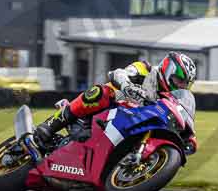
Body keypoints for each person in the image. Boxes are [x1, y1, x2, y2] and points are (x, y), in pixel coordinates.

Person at [33, 51, 197, 146]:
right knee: (101, 92)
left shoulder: (170, 100)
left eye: (184, 84)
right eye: (178, 80)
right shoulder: (146, 70)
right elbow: (118, 73)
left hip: (130, 125)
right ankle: (51, 124)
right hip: (110, 108)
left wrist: (190, 138)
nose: (180, 86)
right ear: (168, 70)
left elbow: (183, 116)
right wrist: (127, 86)